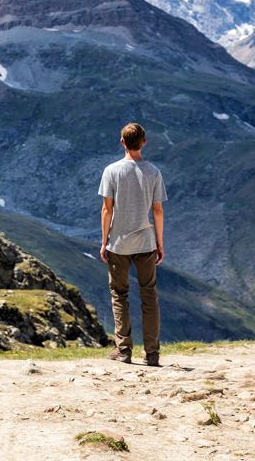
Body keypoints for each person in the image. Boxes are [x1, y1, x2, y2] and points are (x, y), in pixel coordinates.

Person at [98, 121, 166, 366]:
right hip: (146, 242)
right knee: (149, 296)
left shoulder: (111, 171)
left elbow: (107, 210)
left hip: (119, 243)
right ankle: (152, 354)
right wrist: (159, 243)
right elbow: (157, 211)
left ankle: (124, 350)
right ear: (144, 142)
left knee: (119, 295)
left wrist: (104, 240)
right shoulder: (154, 172)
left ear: (122, 142)